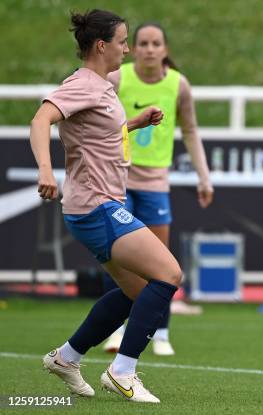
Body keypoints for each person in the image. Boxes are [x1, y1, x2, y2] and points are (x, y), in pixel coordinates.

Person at [34, 10, 182, 403]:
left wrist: (133, 124)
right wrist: (46, 171)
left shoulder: (99, 86)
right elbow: (40, 119)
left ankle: (66, 358)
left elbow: (96, 131)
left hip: (98, 205)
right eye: (122, 41)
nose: (128, 49)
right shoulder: (83, 83)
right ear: (102, 46)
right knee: (168, 273)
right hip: (95, 206)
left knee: (135, 290)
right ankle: (123, 370)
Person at [102, 22, 213, 357]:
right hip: (117, 180)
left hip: (155, 183)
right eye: (143, 43)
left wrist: (203, 177)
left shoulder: (178, 85)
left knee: (160, 262)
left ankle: (161, 332)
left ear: (165, 49)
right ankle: (117, 331)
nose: (150, 49)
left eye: (156, 43)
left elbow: (191, 132)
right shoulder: (117, 79)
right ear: (133, 49)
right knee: (117, 259)